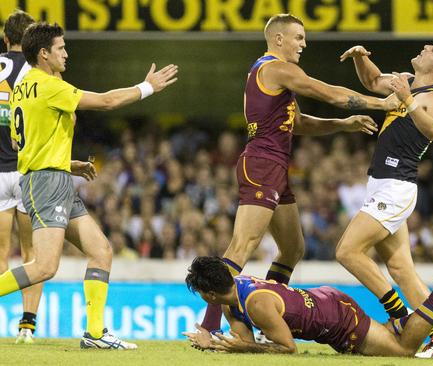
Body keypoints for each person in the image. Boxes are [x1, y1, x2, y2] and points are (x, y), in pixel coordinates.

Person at [199, 13, 399, 335]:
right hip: (262, 164)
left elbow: (299, 123)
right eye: (299, 37)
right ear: (279, 39)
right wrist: (381, 103)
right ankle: (209, 327)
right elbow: (327, 92)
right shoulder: (276, 68)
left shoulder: (270, 76)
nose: (304, 44)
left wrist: (342, 125)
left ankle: (266, 319)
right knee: (242, 245)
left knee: (292, 249)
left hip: (275, 166)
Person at [0, 21, 178, 349]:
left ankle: (95, 334)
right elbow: (107, 101)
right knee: (44, 266)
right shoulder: (48, 85)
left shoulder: (23, 85)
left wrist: (67, 164)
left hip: (55, 177)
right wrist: (147, 87)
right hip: (45, 183)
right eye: (61, 48)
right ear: (44, 54)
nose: (66, 53)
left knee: (101, 251)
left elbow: (20, 142)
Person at [334, 37, 433, 357]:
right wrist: (360, 58)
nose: (426, 47)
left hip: (396, 186)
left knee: (347, 251)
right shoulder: (407, 82)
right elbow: (371, 81)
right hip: (381, 184)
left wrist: (408, 101)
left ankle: (399, 316)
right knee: (400, 270)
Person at [183, 256, 433, 356]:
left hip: (337, 318)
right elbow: (244, 344)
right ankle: (430, 325)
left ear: (209, 294)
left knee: (404, 350)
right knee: (391, 338)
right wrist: (213, 344)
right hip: (325, 303)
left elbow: (288, 348)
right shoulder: (233, 299)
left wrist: (238, 347)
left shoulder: (255, 303)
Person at [0, 9, 43, 344]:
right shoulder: (37, 72)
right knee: (32, 253)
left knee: (1, 253)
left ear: (4, 37)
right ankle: (26, 326)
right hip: (28, 169)